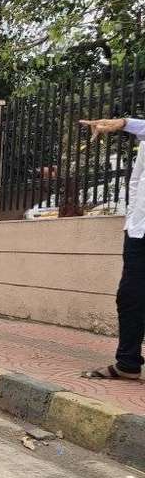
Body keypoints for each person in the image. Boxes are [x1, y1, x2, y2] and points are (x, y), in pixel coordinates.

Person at [79, 117, 145, 380]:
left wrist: (124, 123)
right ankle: (128, 363)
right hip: (139, 230)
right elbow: (137, 183)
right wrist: (132, 220)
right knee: (129, 297)